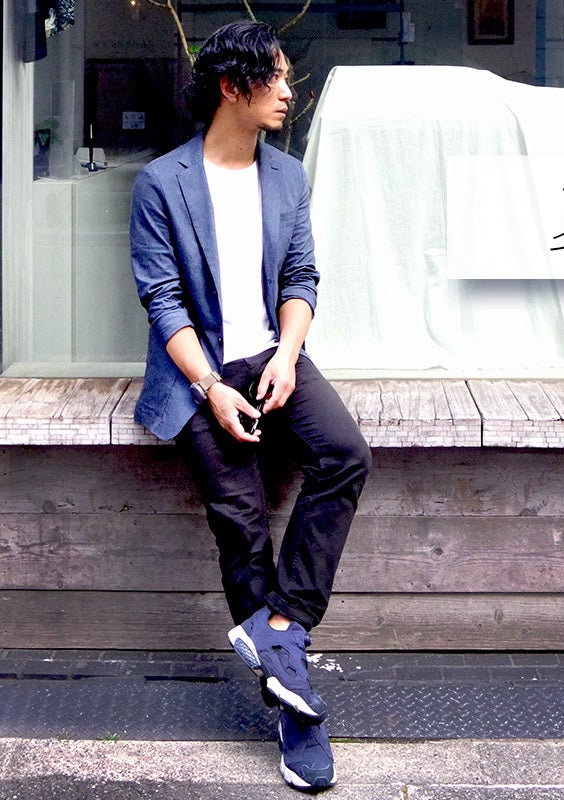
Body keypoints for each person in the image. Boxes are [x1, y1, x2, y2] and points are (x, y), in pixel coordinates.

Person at [128, 20, 370, 793]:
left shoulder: (287, 177)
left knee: (345, 455)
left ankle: (280, 627)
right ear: (233, 86)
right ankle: (298, 720)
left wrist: (288, 356)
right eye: (277, 78)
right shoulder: (162, 182)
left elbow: (301, 278)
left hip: (273, 356)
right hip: (197, 373)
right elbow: (163, 301)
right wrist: (211, 387)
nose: (290, 92)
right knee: (240, 522)